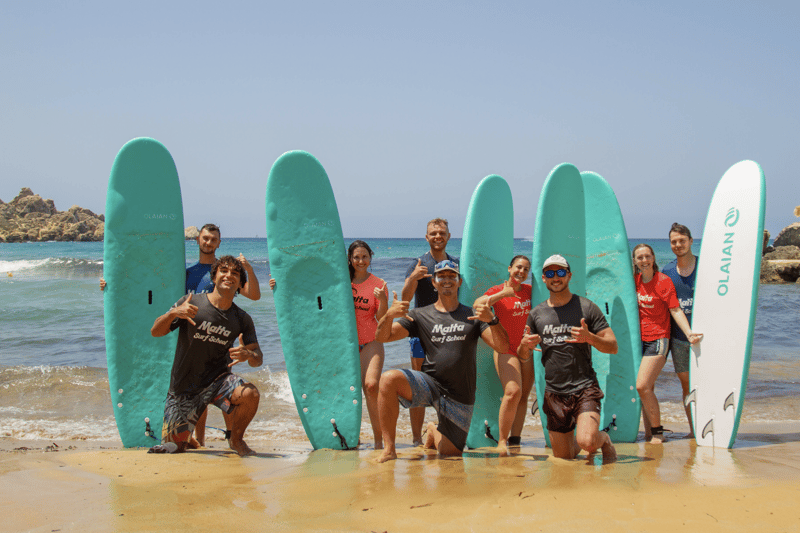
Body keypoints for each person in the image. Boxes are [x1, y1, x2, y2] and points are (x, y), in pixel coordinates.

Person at [375, 260, 509, 463]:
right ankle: (389, 449)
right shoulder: (419, 315)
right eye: (441, 277)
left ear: (459, 281)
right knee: (388, 379)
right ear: (434, 283)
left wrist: (492, 320)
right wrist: (388, 316)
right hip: (430, 384)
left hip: (459, 394)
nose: (447, 280)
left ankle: (432, 431)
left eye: (451, 276)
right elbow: (383, 337)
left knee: (450, 453)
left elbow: (502, 347)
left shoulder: (472, 315)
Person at [149, 255, 263, 456]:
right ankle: (187, 437)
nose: (229, 276)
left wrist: (248, 355)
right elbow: (156, 332)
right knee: (173, 448)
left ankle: (235, 440)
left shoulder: (242, 318)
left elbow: (257, 358)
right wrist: (173, 313)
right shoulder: (191, 303)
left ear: (240, 283)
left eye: (235, 273)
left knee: (249, 393)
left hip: (219, 382)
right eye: (224, 271)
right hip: (184, 387)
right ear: (214, 277)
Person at [517, 254, 618, 462]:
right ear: (543, 278)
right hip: (554, 392)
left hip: (584, 387)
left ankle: (604, 439)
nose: (556, 277)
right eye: (550, 273)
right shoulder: (536, 314)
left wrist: (589, 338)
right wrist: (524, 346)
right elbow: (523, 355)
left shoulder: (586, 307)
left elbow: (613, 346)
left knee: (587, 442)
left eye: (561, 272)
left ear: (569, 276)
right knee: (564, 458)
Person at [632, 243, 702, 444]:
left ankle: (657, 432)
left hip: (659, 339)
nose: (644, 260)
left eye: (647, 256)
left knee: (642, 386)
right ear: (635, 262)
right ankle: (648, 433)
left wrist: (688, 333)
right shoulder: (635, 282)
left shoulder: (663, 281)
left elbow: (675, 310)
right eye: (640, 257)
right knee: (649, 388)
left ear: (653, 258)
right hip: (640, 341)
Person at [401, 218, 458, 446]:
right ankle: (416, 439)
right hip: (420, 331)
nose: (437, 236)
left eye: (441, 232)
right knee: (418, 384)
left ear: (448, 236)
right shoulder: (418, 263)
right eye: (433, 233)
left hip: (449, 329)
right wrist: (414, 277)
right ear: (427, 237)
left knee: (448, 383)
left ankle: (447, 432)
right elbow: (405, 301)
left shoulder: (454, 264)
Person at [474, 255, 533, 453]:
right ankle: (501, 441)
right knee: (512, 392)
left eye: (526, 269)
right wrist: (503, 294)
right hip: (505, 348)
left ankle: (515, 439)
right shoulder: (497, 290)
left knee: (523, 395)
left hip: (525, 348)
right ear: (509, 269)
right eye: (518, 267)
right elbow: (478, 305)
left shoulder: (529, 292)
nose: (521, 272)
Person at [348, 240, 389, 449]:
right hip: (346, 345)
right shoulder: (342, 282)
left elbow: (382, 319)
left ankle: (379, 441)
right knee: (349, 391)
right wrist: (278, 284)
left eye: (364, 256)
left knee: (371, 386)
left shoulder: (379, 284)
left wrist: (382, 300)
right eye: (356, 257)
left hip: (371, 342)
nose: (361, 261)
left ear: (370, 258)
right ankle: (348, 436)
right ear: (350, 259)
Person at [661, 223, 698, 438]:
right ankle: (694, 431)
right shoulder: (666, 271)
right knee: (687, 386)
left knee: (708, 382)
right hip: (679, 339)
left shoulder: (705, 268)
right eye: (674, 242)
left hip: (705, 337)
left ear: (691, 241)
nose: (678, 245)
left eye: (682, 241)